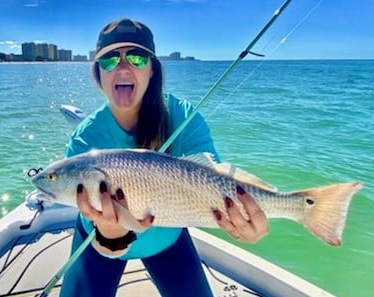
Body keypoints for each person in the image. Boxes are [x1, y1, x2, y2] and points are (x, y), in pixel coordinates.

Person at [60, 18, 268, 297]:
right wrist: (110, 234)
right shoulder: (85, 140)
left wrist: (245, 223)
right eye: (109, 60)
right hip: (99, 243)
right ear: (98, 74)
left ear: (152, 70)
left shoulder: (184, 117)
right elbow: (89, 217)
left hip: (167, 238)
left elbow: (217, 184)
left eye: (136, 56)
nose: (122, 67)